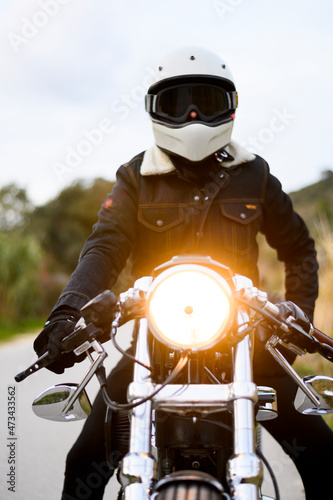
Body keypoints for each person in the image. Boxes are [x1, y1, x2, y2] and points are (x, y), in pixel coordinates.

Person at [34, 46, 333, 499]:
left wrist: (296, 321)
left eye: (206, 103)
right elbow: (104, 246)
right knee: (82, 466)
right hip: (151, 349)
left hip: (244, 342)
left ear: (230, 106)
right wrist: (66, 312)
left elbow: (299, 248)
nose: (193, 116)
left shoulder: (255, 175)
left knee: (324, 455)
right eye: (178, 104)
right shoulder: (135, 177)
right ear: (155, 108)